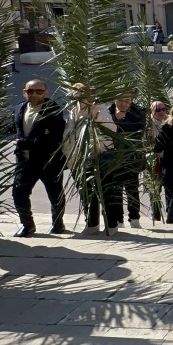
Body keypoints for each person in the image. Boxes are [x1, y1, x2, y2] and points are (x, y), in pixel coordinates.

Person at [12, 79, 67, 237]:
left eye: (39, 91)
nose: (34, 95)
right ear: (24, 92)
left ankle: (58, 224)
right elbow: (16, 130)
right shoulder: (19, 108)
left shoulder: (54, 110)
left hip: (48, 161)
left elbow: (55, 138)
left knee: (55, 194)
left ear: (46, 93)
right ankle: (27, 225)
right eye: (30, 91)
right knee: (18, 192)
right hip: (24, 161)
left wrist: (25, 144)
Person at [63, 83, 118, 235]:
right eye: (77, 93)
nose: (81, 95)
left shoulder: (100, 109)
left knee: (106, 192)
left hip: (99, 157)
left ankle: (111, 224)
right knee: (86, 193)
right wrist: (69, 156)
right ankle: (92, 224)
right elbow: (68, 136)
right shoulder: (72, 112)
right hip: (77, 160)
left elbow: (112, 129)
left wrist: (96, 116)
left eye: (84, 92)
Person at [108, 94, 146, 229]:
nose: (123, 104)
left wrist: (121, 120)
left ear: (131, 101)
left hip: (131, 158)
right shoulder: (107, 112)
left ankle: (134, 218)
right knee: (115, 190)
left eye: (127, 101)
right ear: (114, 100)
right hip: (112, 158)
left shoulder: (138, 112)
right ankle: (119, 219)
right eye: (120, 100)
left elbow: (138, 132)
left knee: (132, 189)